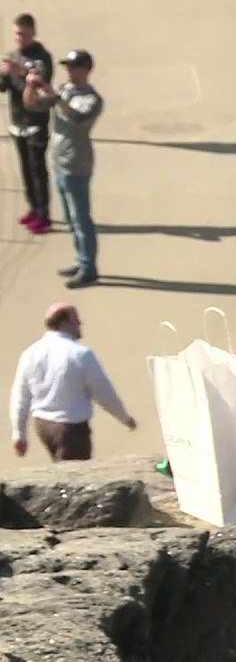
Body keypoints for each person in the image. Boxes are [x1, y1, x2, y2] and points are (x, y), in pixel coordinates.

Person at [9, 302, 137, 461]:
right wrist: (124, 418)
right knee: (71, 480)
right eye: (75, 319)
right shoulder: (80, 354)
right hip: (70, 429)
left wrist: (19, 433)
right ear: (63, 322)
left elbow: (20, 395)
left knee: (60, 469)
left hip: (42, 425)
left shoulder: (30, 353)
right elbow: (104, 392)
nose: (79, 323)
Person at [23, 49, 105, 289]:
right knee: (71, 220)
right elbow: (34, 105)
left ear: (86, 69)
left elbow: (77, 118)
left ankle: (89, 269)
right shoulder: (65, 90)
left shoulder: (92, 99)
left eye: (73, 66)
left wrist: (57, 97)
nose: (68, 71)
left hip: (77, 165)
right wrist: (31, 85)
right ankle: (81, 261)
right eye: (67, 66)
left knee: (82, 221)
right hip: (59, 162)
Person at [0, 13, 54, 234]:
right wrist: (3, 75)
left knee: (37, 168)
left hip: (36, 121)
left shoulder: (41, 57)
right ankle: (32, 207)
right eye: (15, 33)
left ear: (33, 32)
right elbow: (4, 88)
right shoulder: (12, 56)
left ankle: (44, 214)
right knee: (25, 168)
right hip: (17, 121)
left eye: (22, 33)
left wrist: (21, 72)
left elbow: (40, 84)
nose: (18, 38)